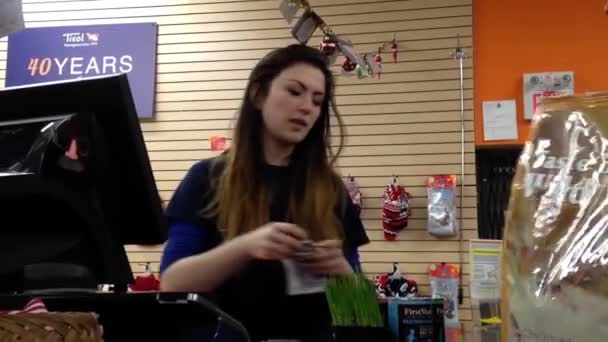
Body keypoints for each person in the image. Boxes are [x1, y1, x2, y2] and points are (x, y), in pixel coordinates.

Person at [159, 44, 370, 342]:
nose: (307, 107)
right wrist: (244, 247)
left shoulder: (329, 189)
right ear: (259, 95)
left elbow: (360, 312)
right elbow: (173, 282)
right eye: (295, 92)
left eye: (317, 100)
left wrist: (341, 271)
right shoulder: (207, 178)